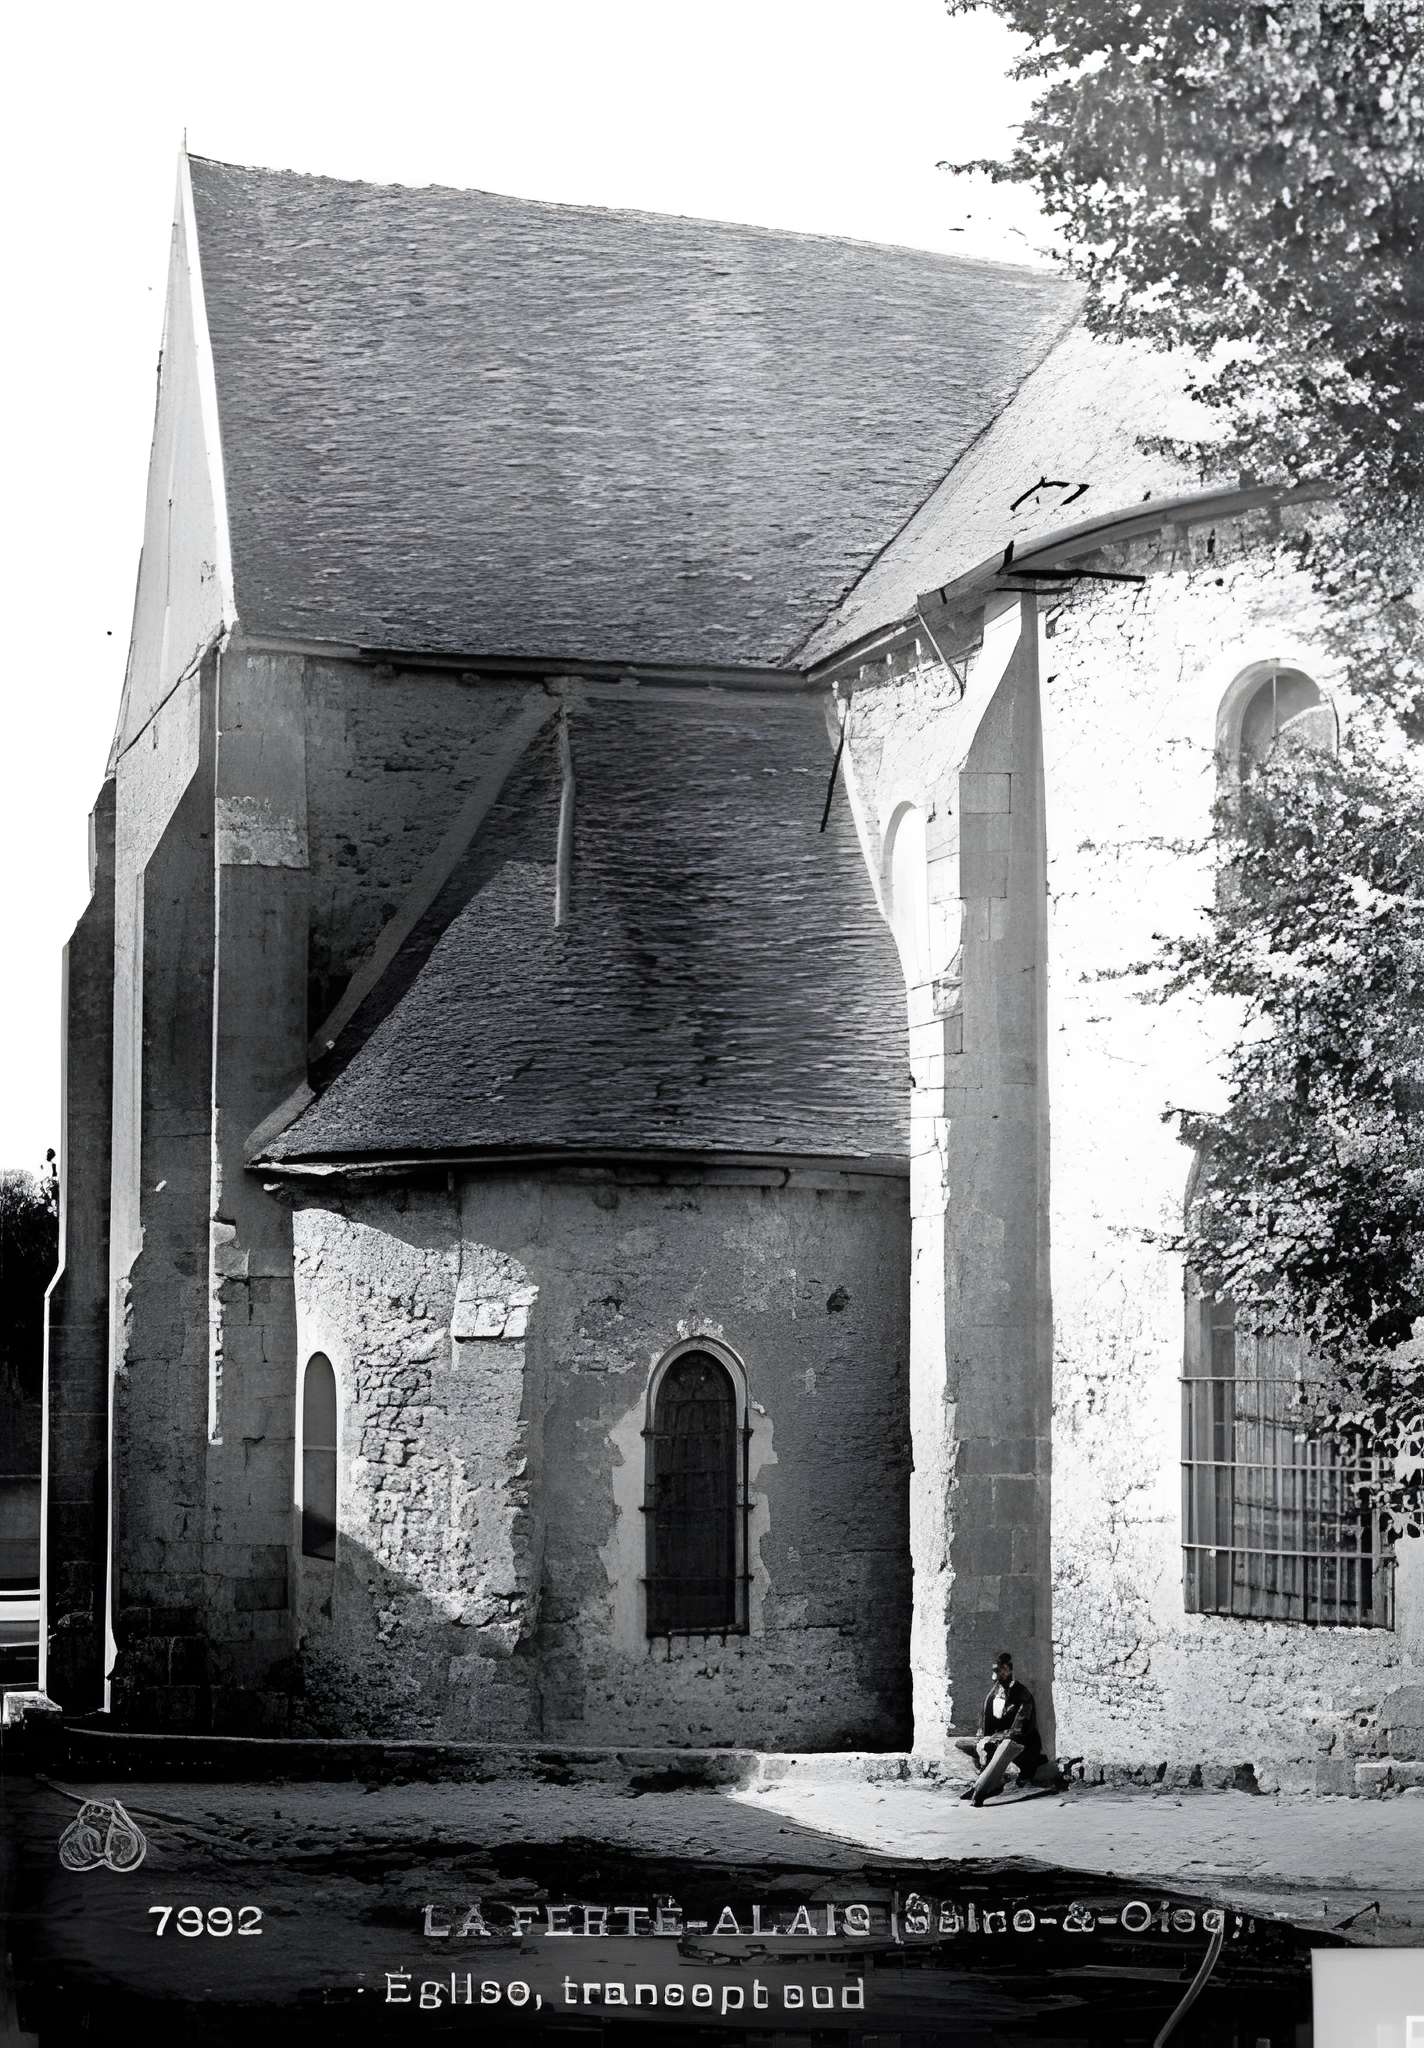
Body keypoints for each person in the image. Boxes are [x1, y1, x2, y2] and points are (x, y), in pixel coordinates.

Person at [953, 1650, 1045, 1806]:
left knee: (1005, 1746)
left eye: (999, 1670)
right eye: (994, 1671)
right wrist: (983, 1738)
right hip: (1000, 1740)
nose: (995, 1675)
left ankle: (980, 1790)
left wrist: (997, 1738)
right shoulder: (994, 1693)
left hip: (1022, 1745)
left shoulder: (1023, 1695)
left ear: (1009, 1670)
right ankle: (995, 1779)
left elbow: (1020, 1730)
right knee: (961, 1743)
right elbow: (986, 1723)